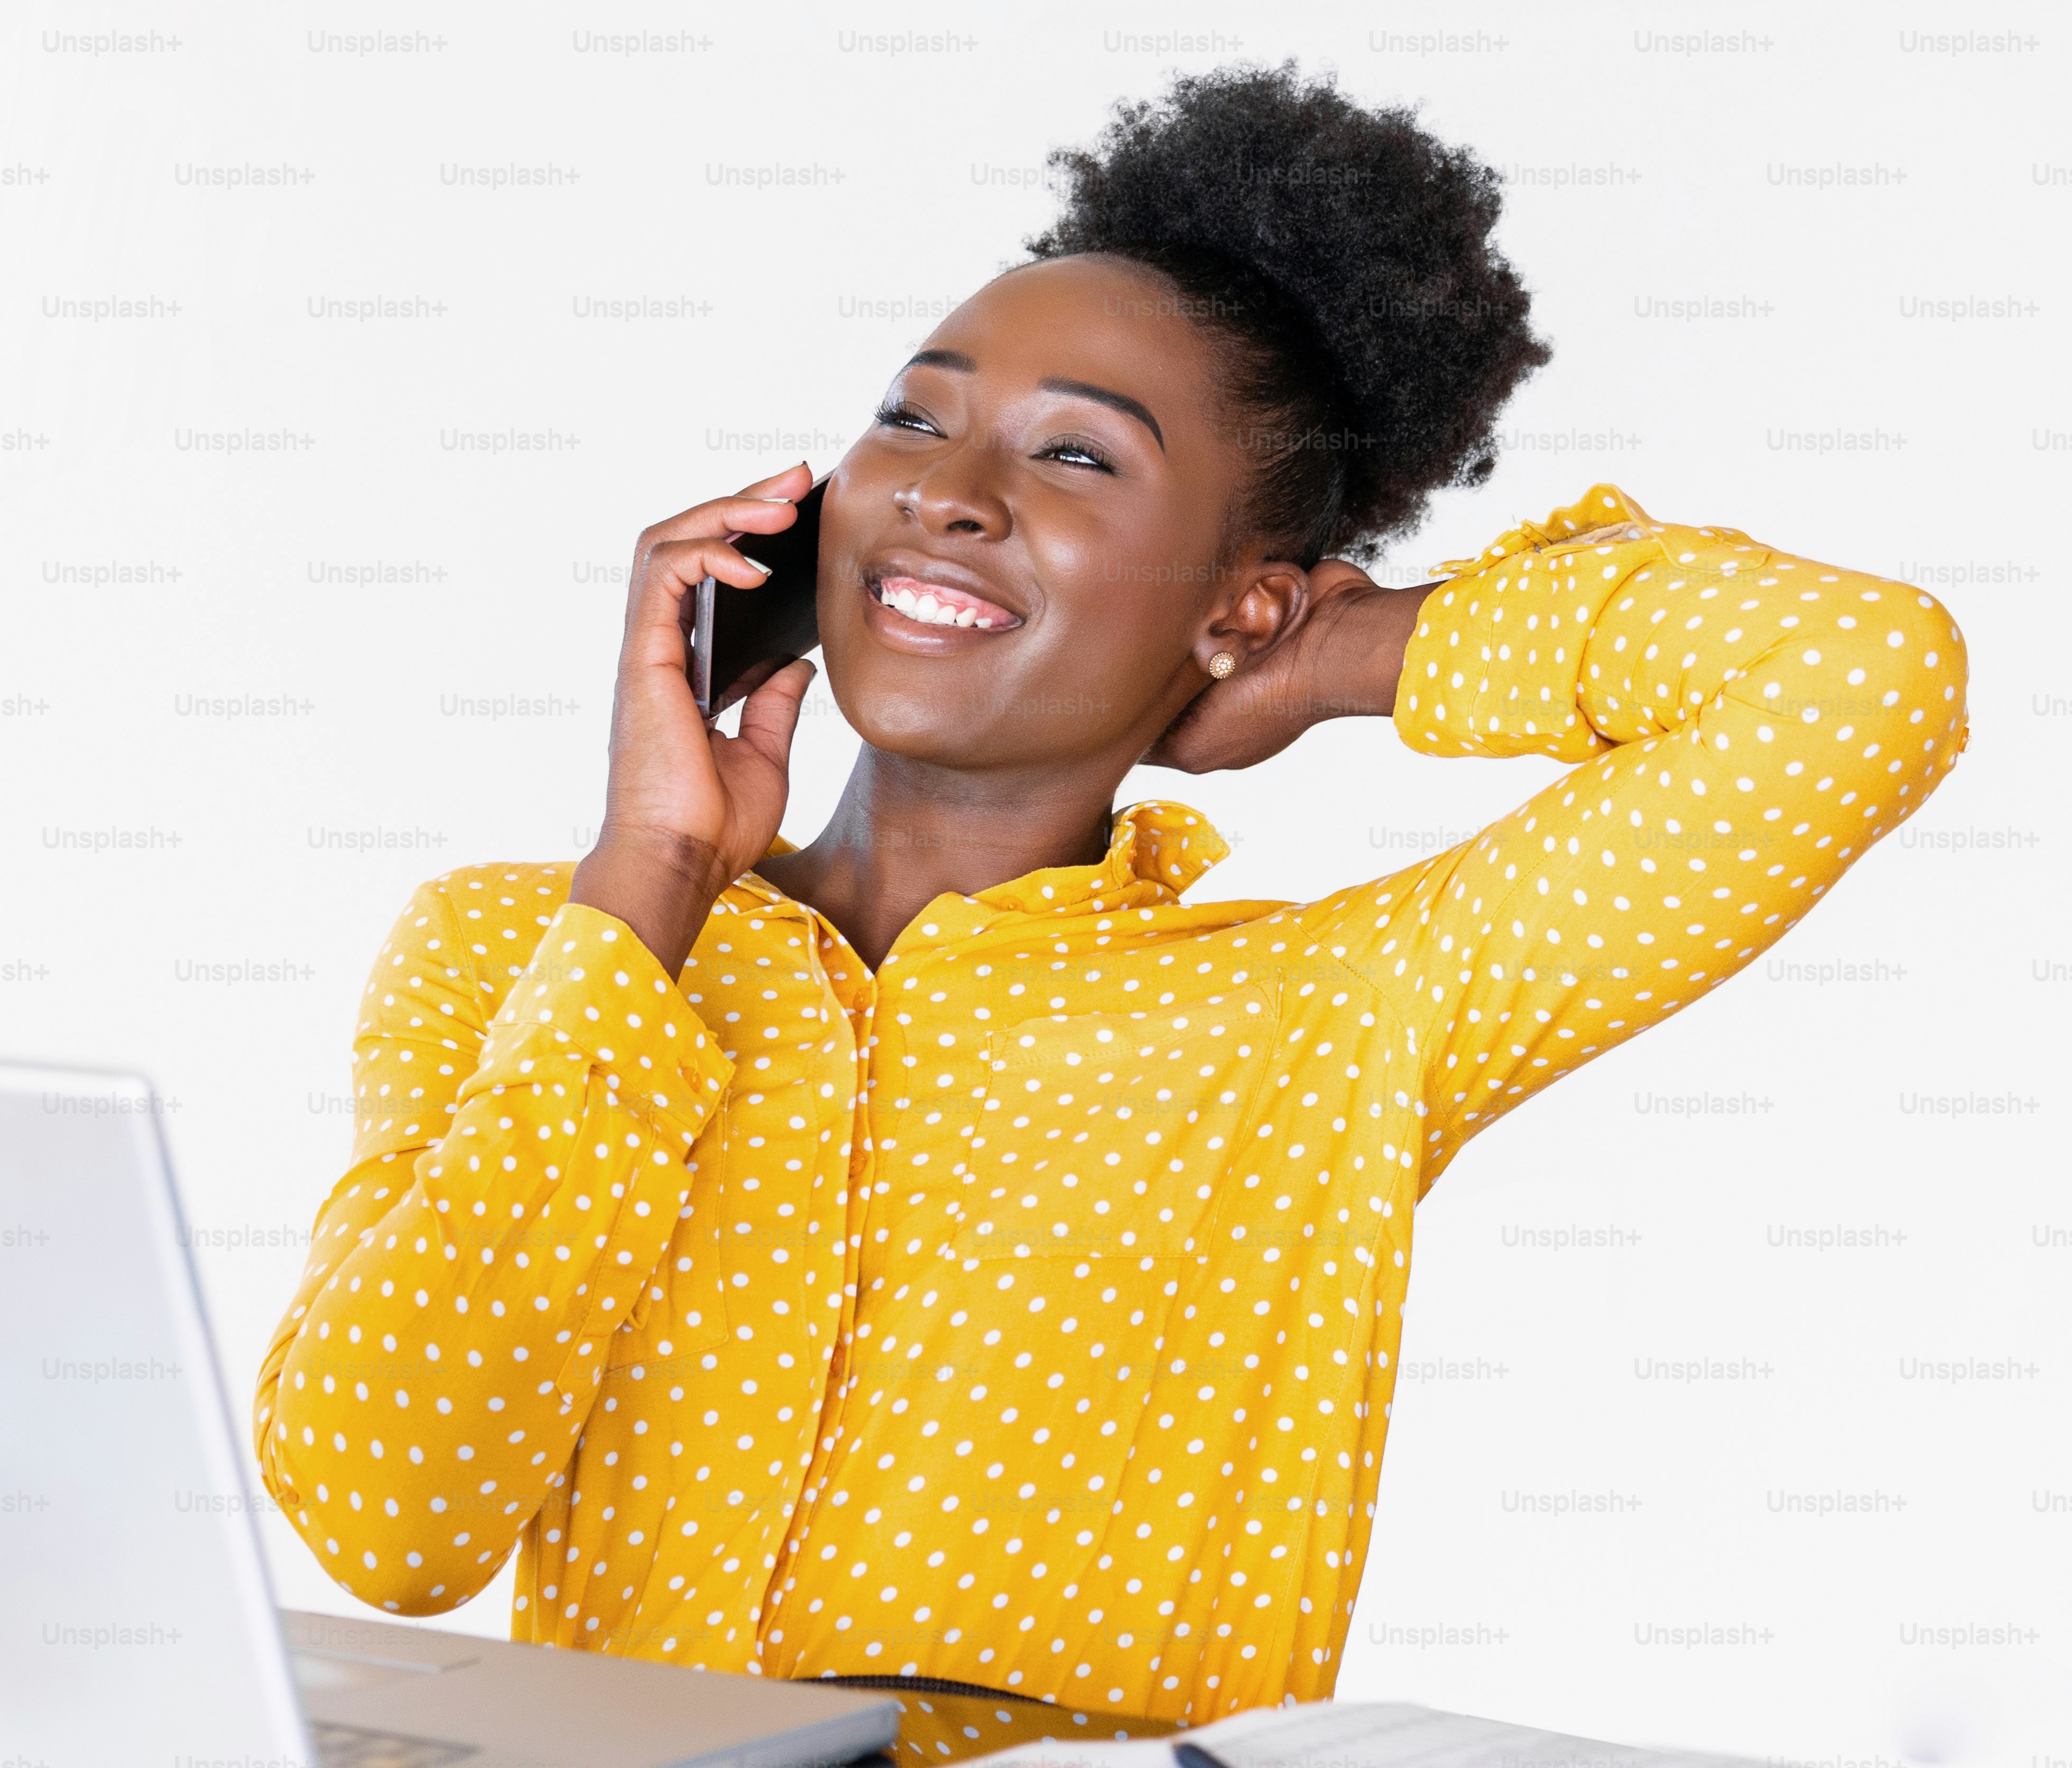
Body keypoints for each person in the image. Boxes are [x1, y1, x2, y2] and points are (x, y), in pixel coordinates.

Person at [248, 63, 1968, 1725]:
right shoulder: (525, 953)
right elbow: (387, 1525)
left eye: (1077, 459)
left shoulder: (1334, 1017)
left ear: (1239, 601)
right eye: (912, 419)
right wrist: (652, 874)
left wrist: (1338, 653)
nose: (946, 493)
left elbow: (1856, 676)